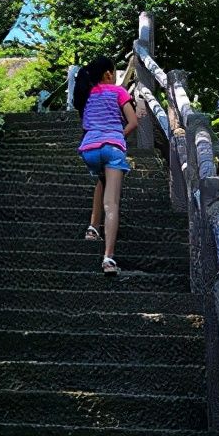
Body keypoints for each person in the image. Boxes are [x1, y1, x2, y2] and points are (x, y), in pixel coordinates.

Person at [73, 56, 138, 274]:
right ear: (108, 74)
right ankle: (108, 259)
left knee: (102, 180)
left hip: (89, 150)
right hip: (112, 148)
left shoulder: (86, 94)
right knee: (112, 204)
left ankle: (92, 229)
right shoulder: (119, 92)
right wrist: (119, 137)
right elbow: (133, 122)